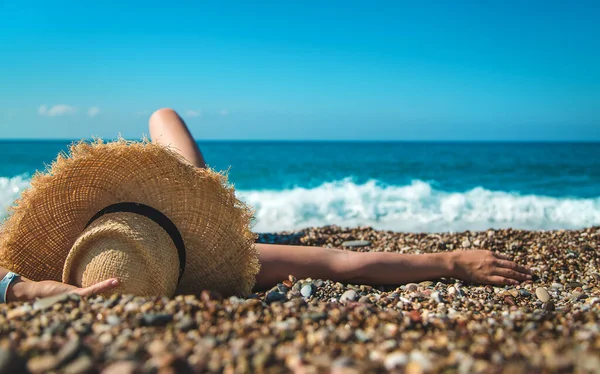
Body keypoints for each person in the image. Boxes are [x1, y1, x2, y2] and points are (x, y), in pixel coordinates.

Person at [0, 108, 531, 303]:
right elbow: (344, 266)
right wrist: (449, 263)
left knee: (164, 118)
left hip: (179, 245)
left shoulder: (67, 280)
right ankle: (203, 199)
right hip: (203, 239)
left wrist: (26, 289)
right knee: (163, 116)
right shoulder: (230, 264)